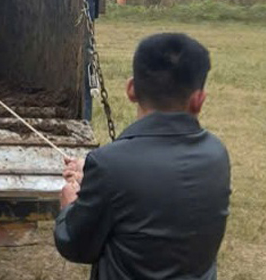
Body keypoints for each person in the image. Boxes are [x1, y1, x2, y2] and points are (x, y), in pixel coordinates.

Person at [54, 33, 231, 280]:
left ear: (131, 89)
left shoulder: (110, 166)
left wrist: (69, 206)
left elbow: (75, 245)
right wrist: (96, 178)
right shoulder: (217, 155)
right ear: (199, 99)